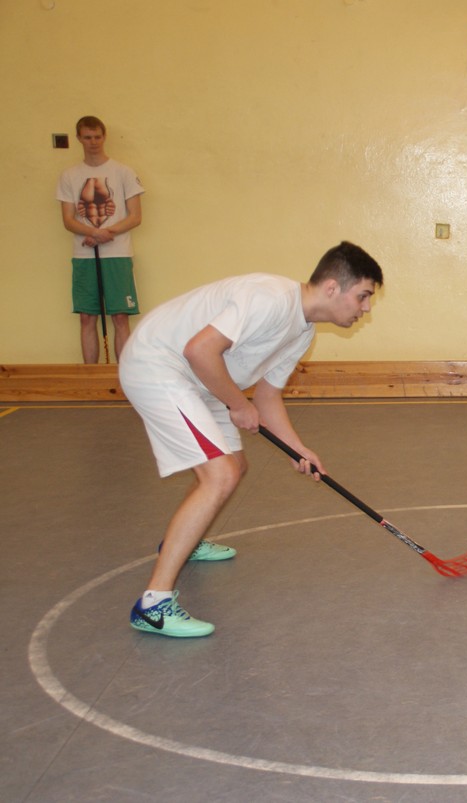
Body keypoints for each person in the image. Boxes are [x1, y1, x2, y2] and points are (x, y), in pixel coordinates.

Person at [118, 242, 384, 637]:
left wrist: (298, 449)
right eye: (362, 296)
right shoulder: (270, 298)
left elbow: (267, 397)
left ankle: (187, 539)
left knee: (234, 467)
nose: (366, 308)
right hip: (160, 366)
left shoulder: (303, 331)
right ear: (332, 288)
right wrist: (236, 405)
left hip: (201, 380)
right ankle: (153, 605)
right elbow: (199, 350)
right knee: (220, 474)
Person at [56, 116, 145, 362]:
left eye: (97, 137)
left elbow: (135, 216)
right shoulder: (69, 175)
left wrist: (105, 233)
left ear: (104, 137)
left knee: (120, 316)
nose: (93, 142)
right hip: (84, 256)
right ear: (79, 138)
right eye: (87, 137)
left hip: (118, 254)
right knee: (87, 317)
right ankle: (90, 375)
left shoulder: (123, 172)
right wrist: (94, 233)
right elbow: (68, 220)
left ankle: (123, 375)